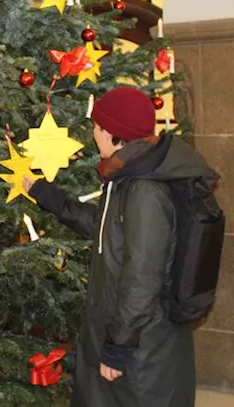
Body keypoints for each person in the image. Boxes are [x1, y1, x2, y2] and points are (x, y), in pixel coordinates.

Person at [25, 86, 218, 407]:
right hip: (123, 331)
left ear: (114, 135)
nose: (93, 134)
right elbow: (102, 229)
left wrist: (119, 346)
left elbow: (142, 275)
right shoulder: (127, 176)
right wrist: (48, 196)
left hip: (143, 345)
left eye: (97, 128)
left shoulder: (144, 190)